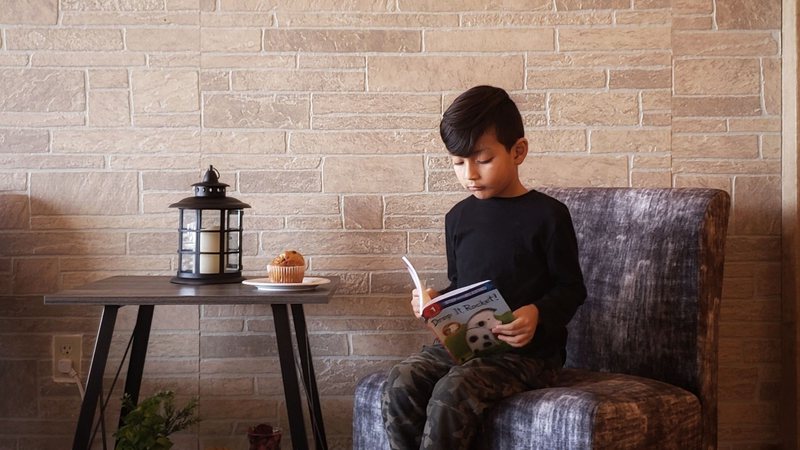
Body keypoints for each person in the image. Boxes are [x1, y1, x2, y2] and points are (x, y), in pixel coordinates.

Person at [381, 85, 587, 450]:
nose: (470, 174)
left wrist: (537, 313)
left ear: (518, 151)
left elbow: (571, 288)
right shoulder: (458, 218)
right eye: (459, 162)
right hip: (466, 346)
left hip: (529, 355)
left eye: (483, 159)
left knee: (453, 390)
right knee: (401, 379)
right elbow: (462, 285)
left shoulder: (549, 216)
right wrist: (434, 302)